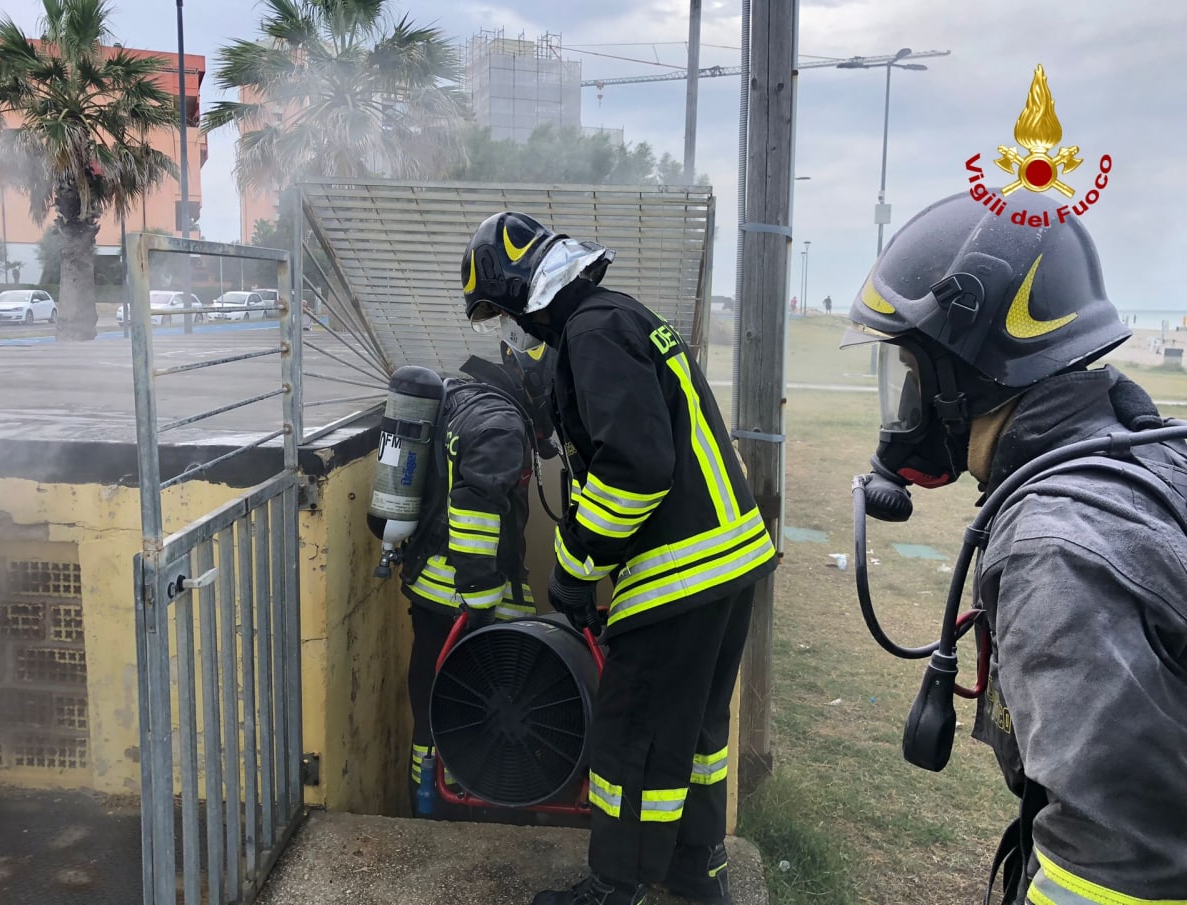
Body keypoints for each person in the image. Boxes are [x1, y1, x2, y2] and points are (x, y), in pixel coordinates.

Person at [843, 193, 1187, 905]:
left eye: (913, 372)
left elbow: (1116, 870)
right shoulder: (1140, 457)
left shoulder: (1057, 550)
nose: (905, 405)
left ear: (961, 377)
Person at [461, 212, 777, 905]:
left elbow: (634, 469)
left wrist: (572, 572)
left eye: (501, 314)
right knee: (690, 736)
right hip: (725, 564)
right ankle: (697, 872)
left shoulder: (591, 332)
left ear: (524, 294)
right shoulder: (619, 316)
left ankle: (616, 884)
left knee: (631, 734)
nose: (509, 335)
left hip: (679, 576)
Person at [399, 336, 559, 818]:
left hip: (432, 590)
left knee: (430, 708)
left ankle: (424, 809)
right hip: (467, 602)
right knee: (481, 716)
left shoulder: (463, 398)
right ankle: (477, 812)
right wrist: (484, 607)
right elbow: (472, 508)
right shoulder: (503, 425)